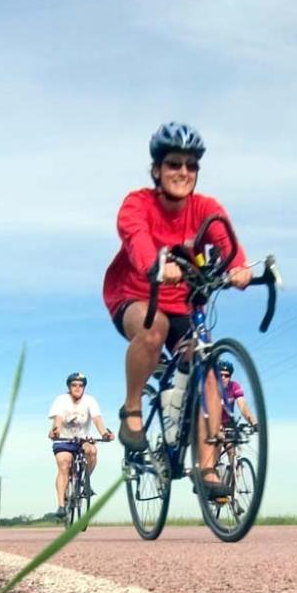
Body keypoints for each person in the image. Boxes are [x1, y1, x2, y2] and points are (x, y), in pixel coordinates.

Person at [102, 122, 250, 499]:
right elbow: (134, 237)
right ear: (157, 170)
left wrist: (239, 268)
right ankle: (132, 410)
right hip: (137, 295)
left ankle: (207, 467)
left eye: (190, 165)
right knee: (155, 330)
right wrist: (155, 265)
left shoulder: (206, 208)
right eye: (173, 164)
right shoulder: (138, 203)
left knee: (208, 370)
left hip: (186, 300)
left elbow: (227, 243)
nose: (182, 172)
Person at [48, 372, 111, 513]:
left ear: (84, 387)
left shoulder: (90, 401)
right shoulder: (61, 400)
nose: (77, 388)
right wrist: (56, 431)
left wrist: (104, 434)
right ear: (69, 387)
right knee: (64, 465)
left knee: (92, 451)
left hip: (83, 439)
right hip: (63, 439)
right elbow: (58, 418)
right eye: (74, 385)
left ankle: (84, 480)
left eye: (81, 385)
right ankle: (61, 506)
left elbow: (97, 419)